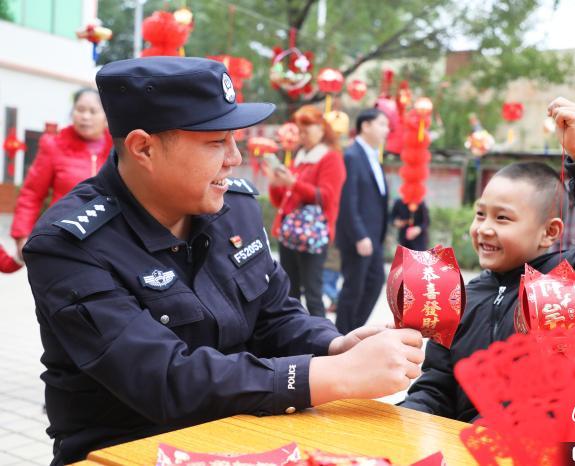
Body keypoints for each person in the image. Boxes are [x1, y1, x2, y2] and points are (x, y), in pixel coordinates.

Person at [21, 57, 424, 465]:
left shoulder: (234, 207)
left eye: (235, 140)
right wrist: (336, 375)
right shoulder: (70, 244)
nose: (235, 159)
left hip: (246, 437)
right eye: (216, 142)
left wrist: (334, 345)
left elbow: (275, 312)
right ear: (143, 147)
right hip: (128, 452)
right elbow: (167, 379)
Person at [400, 97, 575, 421]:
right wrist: (409, 419)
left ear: (549, 232)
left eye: (502, 218)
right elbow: (436, 388)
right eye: (480, 214)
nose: (485, 229)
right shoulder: (459, 299)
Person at [11, 88, 111, 261]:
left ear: (106, 116)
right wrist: (22, 235)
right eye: (80, 110)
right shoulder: (54, 146)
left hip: (111, 241)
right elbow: (31, 194)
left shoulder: (120, 149)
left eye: (93, 111)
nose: (85, 116)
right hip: (64, 239)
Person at [266, 105, 346, 317]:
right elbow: (281, 201)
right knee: (290, 292)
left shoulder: (330, 158)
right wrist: (276, 183)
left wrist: (292, 183)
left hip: (313, 234)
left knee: (313, 293)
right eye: (299, 131)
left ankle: (323, 340)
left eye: (306, 131)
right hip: (291, 232)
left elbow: (327, 196)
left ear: (321, 129)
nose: (301, 136)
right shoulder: (300, 156)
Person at [334, 108, 391, 334]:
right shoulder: (352, 156)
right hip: (359, 237)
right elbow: (348, 200)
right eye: (382, 124)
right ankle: (339, 339)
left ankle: (352, 332)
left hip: (373, 237)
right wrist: (359, 235)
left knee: (375, 282)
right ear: (365, 126)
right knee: (353, 289)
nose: (387, 130)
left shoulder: (372, 156)